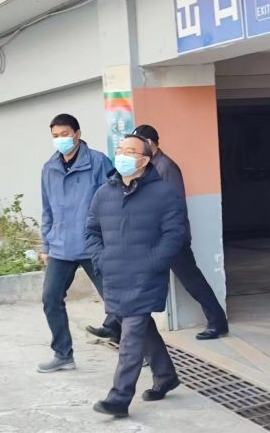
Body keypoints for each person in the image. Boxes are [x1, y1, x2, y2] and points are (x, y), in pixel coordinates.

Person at [86, 124, 229, 342]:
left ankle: (217, 321)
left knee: (192, 281)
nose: (125, 156)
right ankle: (113, 325)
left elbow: (173, 207)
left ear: (149, 144)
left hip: (170, 241)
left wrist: (166, 244)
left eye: (132, 150)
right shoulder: (146, 169)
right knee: (134, 289)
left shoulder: (165, 167)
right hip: (150, 241)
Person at [86, 135, 187, 418]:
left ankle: (119, 398)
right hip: (114, 275)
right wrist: (102, 259)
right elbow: (91, 231)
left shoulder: (164, 193)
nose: (122, 155)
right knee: (140, 327)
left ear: (144, 159)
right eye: (120, 150)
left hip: (145, 276)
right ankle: (165, 375)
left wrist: (153, 262)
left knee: (130, 336)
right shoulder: (103, 193)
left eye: (130, 151)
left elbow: (174, 234)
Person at [38, 114, 114, 373]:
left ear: (77, 134)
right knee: (50, 298)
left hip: (93, 245)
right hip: (60, 246)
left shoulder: (98, 162)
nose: (60, 140)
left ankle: (143, 350)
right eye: (55, 136)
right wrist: (46, 246)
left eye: (65, 135)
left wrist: (111, 241)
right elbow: (47, 210)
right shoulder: (49, 168)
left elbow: (113, 203)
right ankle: (63, 355)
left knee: (118, 300)